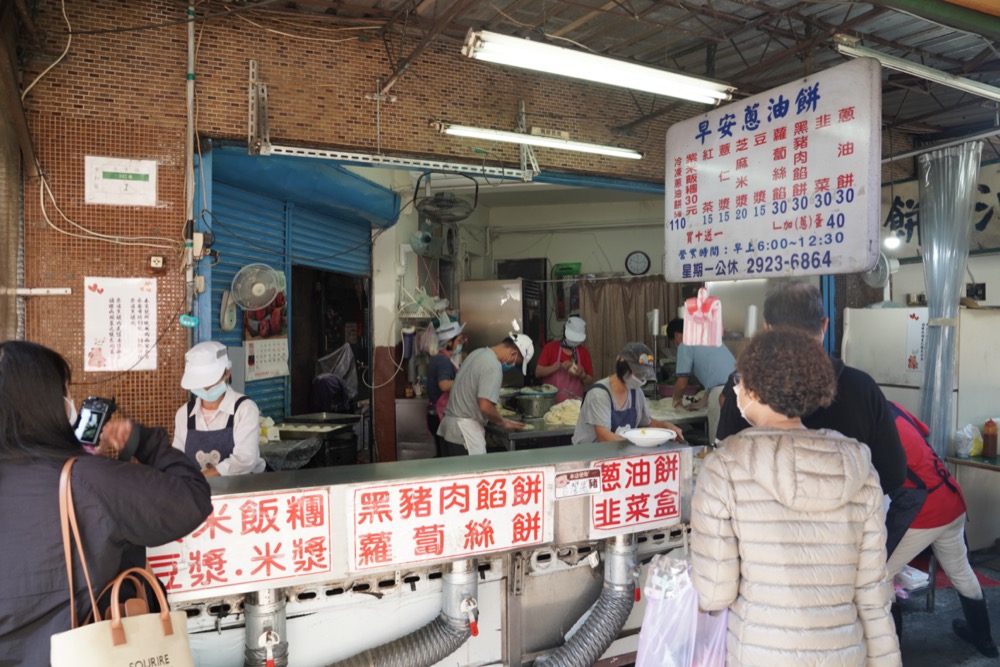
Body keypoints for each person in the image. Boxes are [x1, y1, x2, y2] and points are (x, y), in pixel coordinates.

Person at [691, 329, 900, 666]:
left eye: (740, 381)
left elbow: (715, 592)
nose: (736, 388)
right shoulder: (859, 468)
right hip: (844, 655)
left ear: (755, 389)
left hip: (760, 654)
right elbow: (874, 597)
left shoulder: (724, 468)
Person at [0, 340, 213, 667]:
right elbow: (192, 498)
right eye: (65, 391)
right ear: (46, 404)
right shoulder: (88, 482)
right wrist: (143, 441)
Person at [715, 280, 906, 494]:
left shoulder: (746, 390)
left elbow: (724, 468)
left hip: (761, 522)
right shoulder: (863, 387)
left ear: (767, 328)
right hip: (844, 524)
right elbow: (893, 474)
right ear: (824, 325)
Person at [884, 402, 997, 657]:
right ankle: (984, 639)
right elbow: (923, 432)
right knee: (959, 570)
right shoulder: (894, 408)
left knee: (878, 574)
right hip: (951, 497)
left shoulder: (870, 422)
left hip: (925, 509)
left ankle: (889, 653)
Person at [172, 340, 265, 476]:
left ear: (227, 372)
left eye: (209, 380)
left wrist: (201, 477)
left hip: (239, 491)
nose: (205, 387)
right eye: (199, 382)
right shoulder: (184, 414)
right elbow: (177, 458)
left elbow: (245, 460)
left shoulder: (244, 409)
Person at [438, 332, 534, 456]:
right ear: (513, 354)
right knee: (472, 475)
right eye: (516, 363)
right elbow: (485, 407)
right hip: (464, 433)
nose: (512, 365)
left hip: (448, 429)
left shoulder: (477, 353)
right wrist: (503, 422)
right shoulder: (493, 365)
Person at [572, 342, 682, 444]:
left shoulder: (636, 392)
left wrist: (665, 427)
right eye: (637, 373)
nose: (641, 379)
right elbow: (604, 436)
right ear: (621, 363)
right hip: (592, 456)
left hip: (620, 453)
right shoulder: (599, 394)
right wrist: (636, 446)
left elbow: (647, 423)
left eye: (643, 375)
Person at [665, 317, 735, 445]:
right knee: (734, 442)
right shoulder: (709, 338)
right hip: (741, 389)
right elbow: (717, 377)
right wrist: (700, 404)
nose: (676, 345)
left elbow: (682, 383)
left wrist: (676, 401)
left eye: (674, 342)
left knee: (718, 445)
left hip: (722, 394)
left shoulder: (685, 343)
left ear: (677, 335)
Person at [534, 316, 594, 403]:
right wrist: (557, 366)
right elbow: (538, 373)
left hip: (574, 407)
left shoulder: (583, 352)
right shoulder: (550, 348)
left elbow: (590, 380)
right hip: (550, 404)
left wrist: (582, 374)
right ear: (565, 333)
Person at [427, 320, 465, 457]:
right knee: (447, 457)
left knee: (443, 454)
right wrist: (466, 383)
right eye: (458, 340)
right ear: (449, 342)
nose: (460, 344)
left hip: (437, 415)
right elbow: (444, 385)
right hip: (440, 415)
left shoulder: (439, 359)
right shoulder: (443, 362)